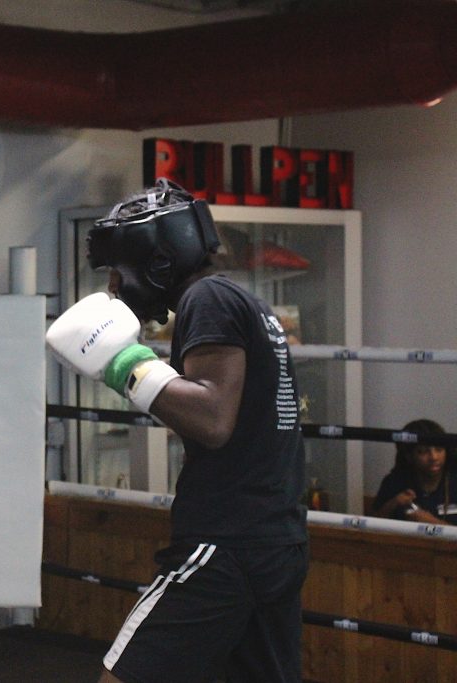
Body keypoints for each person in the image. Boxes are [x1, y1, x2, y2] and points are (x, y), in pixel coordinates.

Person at [46, 178, 309, 683]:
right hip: (274, 540)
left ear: (158, 259)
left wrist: (123, 362)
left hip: (225, 546)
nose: (114, 290)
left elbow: (212, 420)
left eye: (117, 274)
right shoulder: (244, 301)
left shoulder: (207, 297)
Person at [371, 418, 457, 525]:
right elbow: (371, 527)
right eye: (423, 451)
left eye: (439, 449)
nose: (434, 457)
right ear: (409, 456)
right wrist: (393, 504)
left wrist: (430, 522)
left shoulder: (454, 479)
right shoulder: (394, 481)